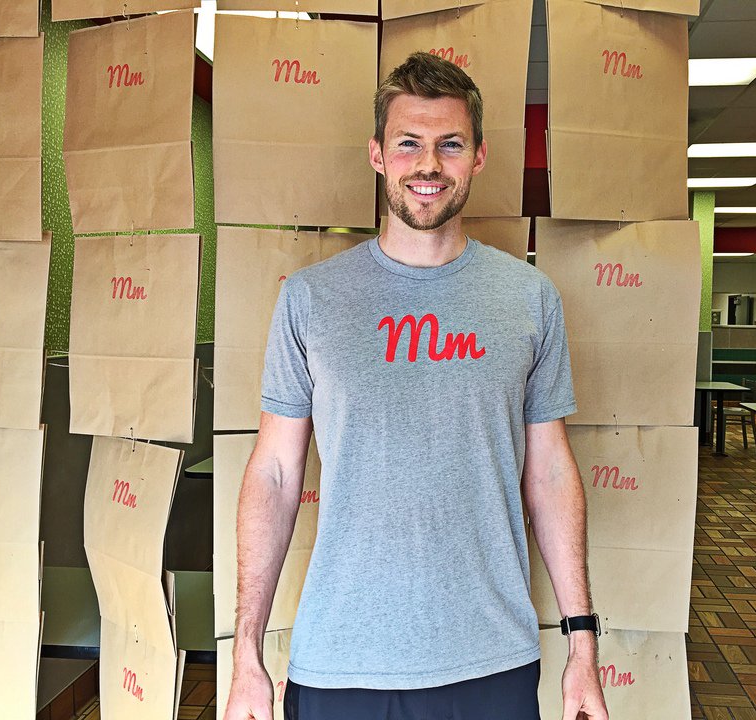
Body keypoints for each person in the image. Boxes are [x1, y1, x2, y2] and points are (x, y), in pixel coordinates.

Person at [224, 51, 610, 720]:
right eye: (408, 143)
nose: (428, 164)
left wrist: (582, 645)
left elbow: (549, 472)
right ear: (377, 154)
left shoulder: (529, 299)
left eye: (449, 144)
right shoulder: (311, 299)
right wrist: (245, 654)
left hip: (492, 660)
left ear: (478, 157)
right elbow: (276, 474)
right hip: (340, 662)